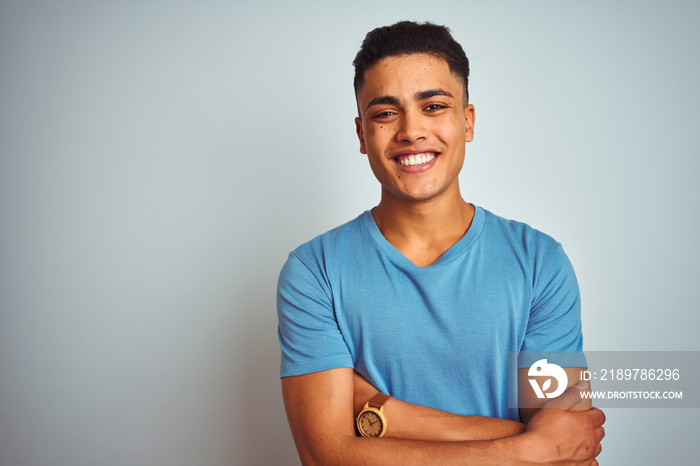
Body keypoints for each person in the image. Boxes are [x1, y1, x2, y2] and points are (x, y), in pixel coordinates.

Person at [277, 21, 605, 465]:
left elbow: (570, 449)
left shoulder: (538, 261)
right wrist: (527, 447)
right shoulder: (313, 271)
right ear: (361, 135)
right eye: (385, 112)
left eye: (433, 106)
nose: (411, 130)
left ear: (467, 121)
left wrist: (384, 413)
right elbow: (327, 456)